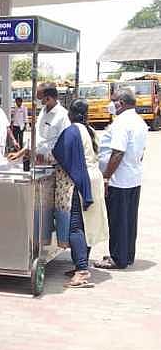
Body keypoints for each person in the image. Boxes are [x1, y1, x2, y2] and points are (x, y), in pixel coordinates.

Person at [52, 99, 108, 288]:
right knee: (87, 225)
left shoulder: (72, 130)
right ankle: (80, 264)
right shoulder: (90, 130)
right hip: (94, 179)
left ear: (71, 113)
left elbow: (59, 152)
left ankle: (82, 271)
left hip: (80, 182)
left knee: (75, 226)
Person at [95, 86, 148, 270]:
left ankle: (117, 257)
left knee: (117, 220)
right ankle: (127, 255)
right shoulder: (139, 122)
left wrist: (106, 177)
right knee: (129, 219)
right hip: (133, 177)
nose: (111, 104)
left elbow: (117, 153)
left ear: (121, 103)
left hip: (119, 180)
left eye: (113, 100)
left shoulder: (122, 123)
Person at [35, 83, 70, 161]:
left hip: (53, 161)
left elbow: (63, 143)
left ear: (48, 98)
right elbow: (38, 135)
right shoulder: (42, 111)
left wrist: (48, 155)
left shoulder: (63, 115)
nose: (38, 101)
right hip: (38, 159)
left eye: (40, 99)